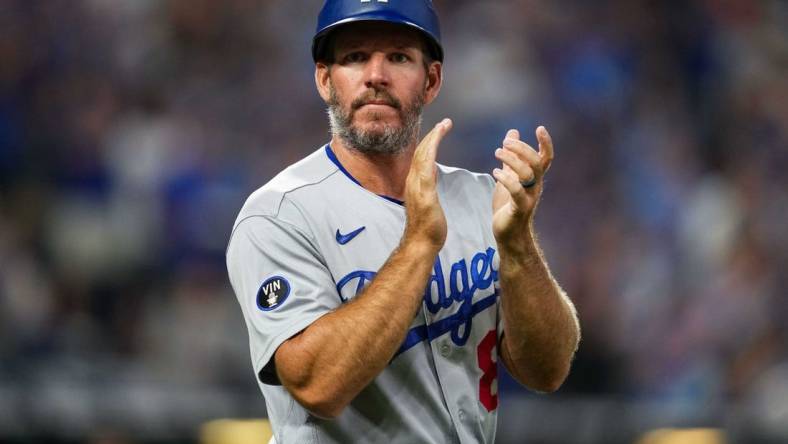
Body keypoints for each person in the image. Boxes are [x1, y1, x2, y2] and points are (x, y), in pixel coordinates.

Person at [226, 1, 580, 443]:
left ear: (430, 81)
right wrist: (419, 243)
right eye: (355, 57)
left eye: (398, 57)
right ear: (324, 80)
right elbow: (317, 385)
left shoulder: (479, 198)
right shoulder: (279, 215)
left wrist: (518, 247)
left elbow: (547, 370)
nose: (376, 75)